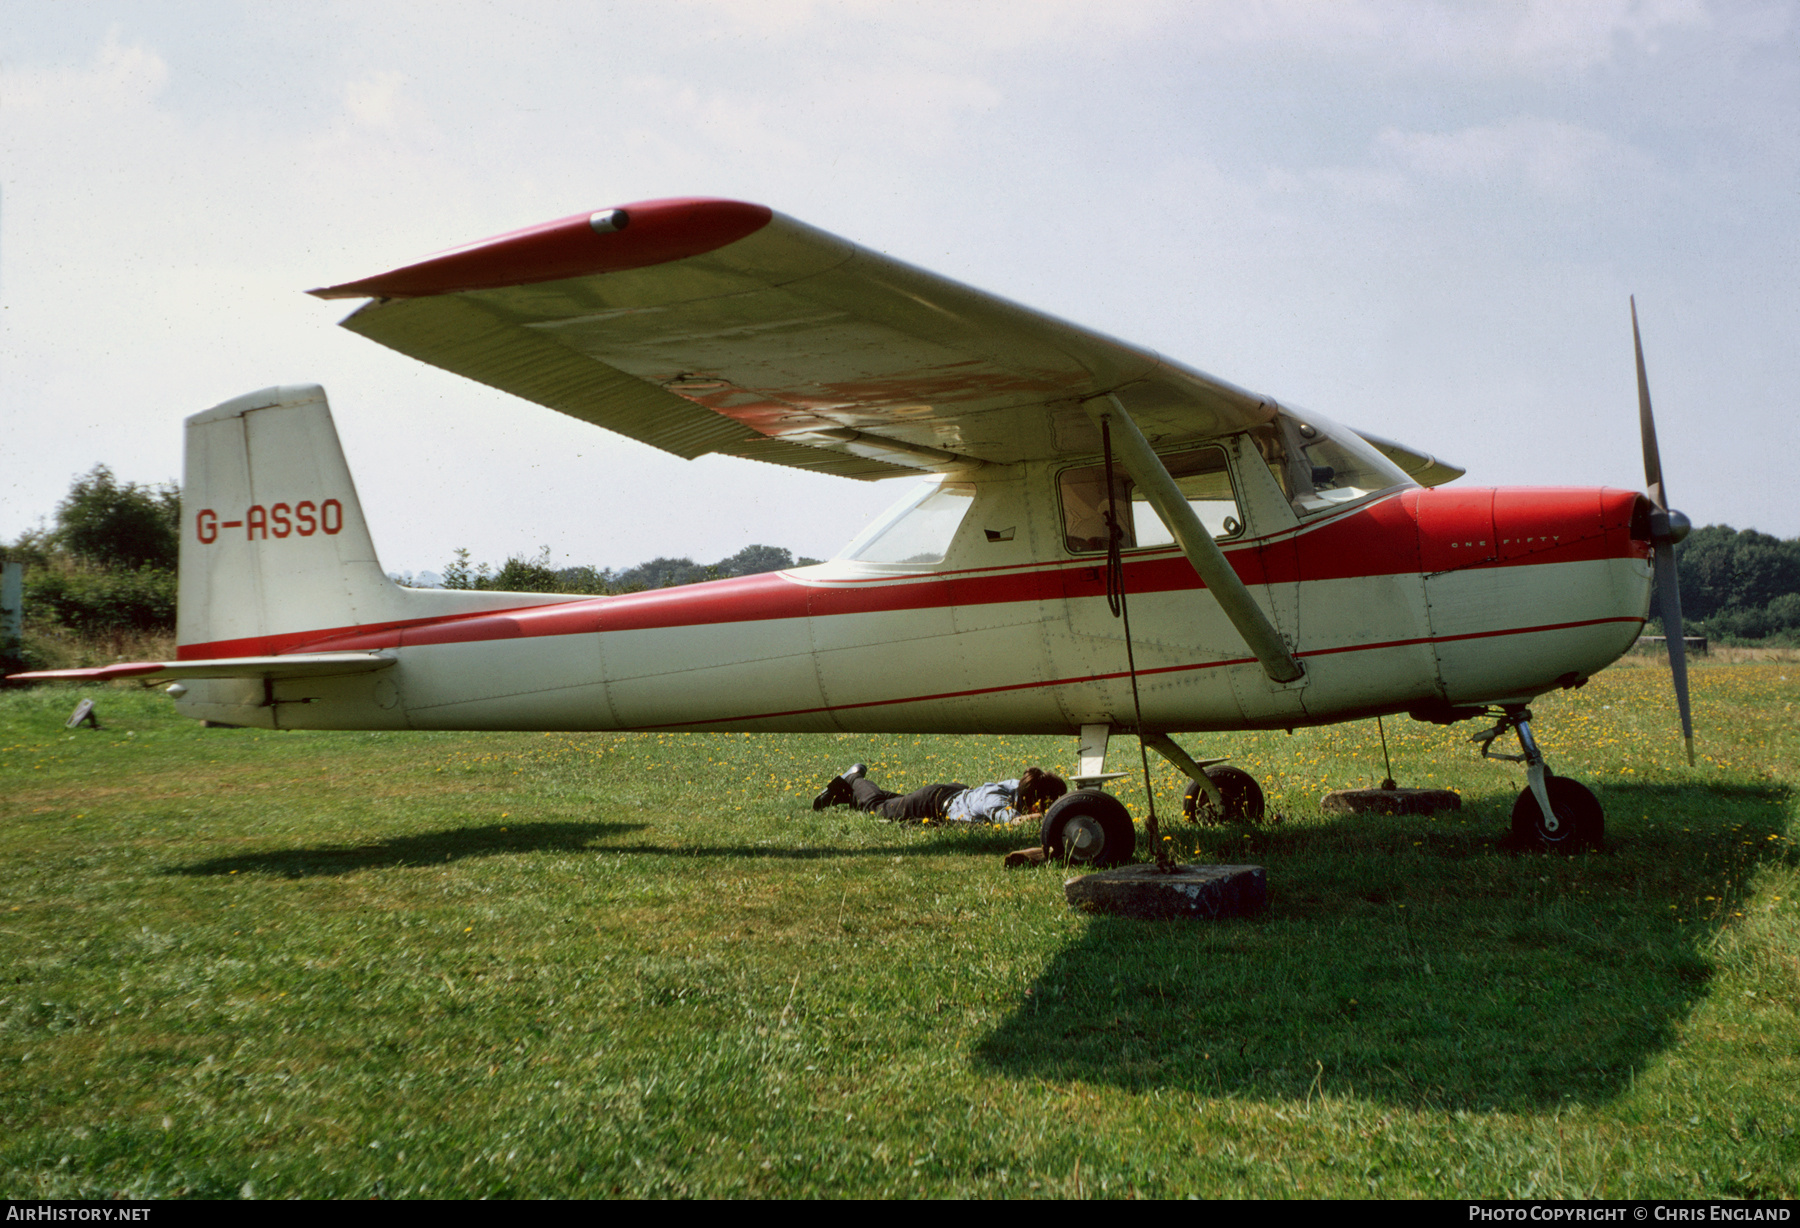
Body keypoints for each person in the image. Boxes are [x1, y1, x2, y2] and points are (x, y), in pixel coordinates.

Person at [812, 763, 1067, 824]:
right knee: (879, 808)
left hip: (954, 794)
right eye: (1046, 804)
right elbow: (1013, 821)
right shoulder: (996, 802)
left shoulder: (1020, 787)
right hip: (934, 802)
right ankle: (854, 778)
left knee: (894, 803)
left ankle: (845, 794)